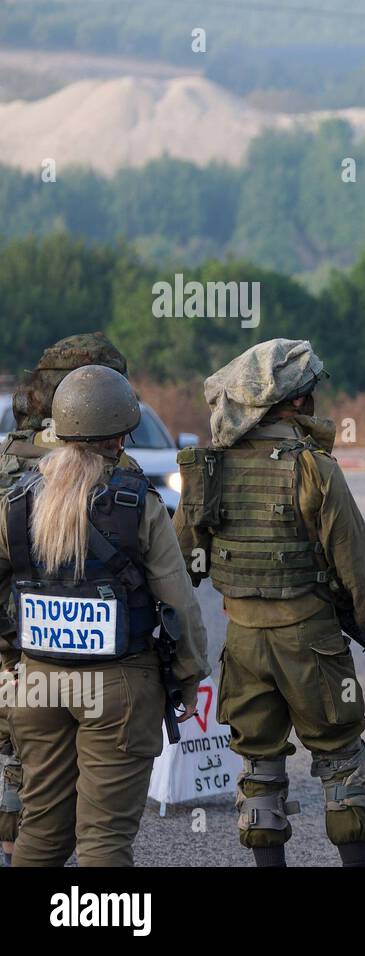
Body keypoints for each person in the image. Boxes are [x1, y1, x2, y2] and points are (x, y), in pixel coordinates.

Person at [174, 339, 365, 868]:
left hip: (242, 643)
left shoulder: (210, 469)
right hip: (311, 640)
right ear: (292, 402)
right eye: (310, 392)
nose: (317, 401)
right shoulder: (314, 469)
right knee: (342, 763)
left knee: (260, 769)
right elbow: (356, 558)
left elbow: (181, 561)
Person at [0, 365, 209, 867]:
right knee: (104, 843)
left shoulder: (17, 501)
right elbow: (179, 602)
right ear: (121, 433)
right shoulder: (138, 504)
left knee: (42, 835)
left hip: (35, 687)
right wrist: (187, 679)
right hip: (119, 690)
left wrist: (9, 658)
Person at [0, 332, 144, 866]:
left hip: (22, 652)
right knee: (102, 817)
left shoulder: (9, 459)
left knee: (29, 783)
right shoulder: (114, 472)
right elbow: (159, 573)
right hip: (97, 665)